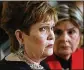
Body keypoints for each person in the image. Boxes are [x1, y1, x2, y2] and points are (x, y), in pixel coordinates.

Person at [0, 1, 58, 70]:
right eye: (43, 29)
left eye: (52, 28)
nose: (52, 36)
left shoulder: (42, 64)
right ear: (20, 36)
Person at [46, 4, 83, 70]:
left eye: (71, 32)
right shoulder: (38, 63)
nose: (64, 39)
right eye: (57, 32)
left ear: (80, 35)